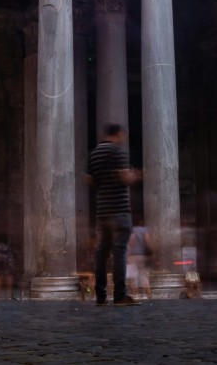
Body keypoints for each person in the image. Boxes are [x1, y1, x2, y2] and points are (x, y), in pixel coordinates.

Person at [87, 123, 142, 307]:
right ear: (118, 134)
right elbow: (125, 178)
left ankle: (100, 296)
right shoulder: (118, 153)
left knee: (101, 253)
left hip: (102, 211)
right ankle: (119, 296)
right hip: (119, 209)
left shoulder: (94, 154)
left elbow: (88, 179)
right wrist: (136, 175)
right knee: (119, 253)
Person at [127, 221, 152, 300]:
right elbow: (147, 241)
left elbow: (131, 242)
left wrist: (129, 254)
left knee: (133, 277)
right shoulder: (144, 230)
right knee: (144, 276)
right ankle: (148, 295)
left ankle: (135, 295)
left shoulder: (131, 230)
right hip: (142, 255)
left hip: (133, 255)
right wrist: (151, 252)